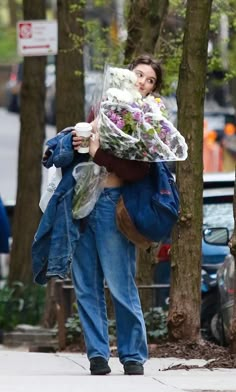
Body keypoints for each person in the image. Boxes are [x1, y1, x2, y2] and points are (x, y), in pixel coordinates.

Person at [70, 54, 163, 375]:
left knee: (120, 282)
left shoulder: (148, 121)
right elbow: (86, 149)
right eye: (138, 74)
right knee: (85, 283)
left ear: (153, 90)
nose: (142, 82)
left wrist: (100, 153)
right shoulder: (103, 107)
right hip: (83, 198)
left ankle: (133, 355)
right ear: (126, 75)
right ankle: (97, 354)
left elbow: (137, 171)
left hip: (112, 201)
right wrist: (80, 141)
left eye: (150, 80)